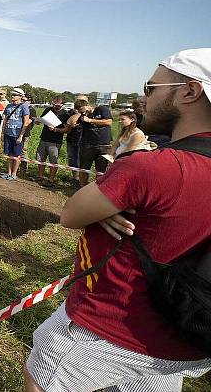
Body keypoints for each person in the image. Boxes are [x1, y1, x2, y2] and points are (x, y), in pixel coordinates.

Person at [24, 48, 211, 392]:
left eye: (151, 88)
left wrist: (111, 204)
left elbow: (72, 213)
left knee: (42, 378)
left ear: (190, 91)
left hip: (108, 326)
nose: (142, 98)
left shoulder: (152, 167)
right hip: (188, 337)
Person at [34, 96, 71, 187]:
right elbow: (42, 119)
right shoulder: (48, 110)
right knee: (40, 158)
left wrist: (55, 130)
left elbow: (67, 130)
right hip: (44, 138)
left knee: (53, 160)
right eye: (54, 104)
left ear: (62, 104)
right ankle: (40, 176)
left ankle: (51, 179)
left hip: (55, 141)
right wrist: (38, 121)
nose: (55, 106)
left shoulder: (65, 114)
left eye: (58, 105)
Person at [77, 97, 114, 187]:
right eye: (79, 110)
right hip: (87, 145)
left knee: (101, 169)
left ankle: (98, 188)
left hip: (104, 145)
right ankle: (82, 187)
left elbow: (108, 122)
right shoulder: (83, 116)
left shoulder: (101, 109)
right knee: (84, 168)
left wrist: (90, 120)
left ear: (87, 105)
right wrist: (82, 115)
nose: (81, 111)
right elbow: (76, 123)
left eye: (82, 108)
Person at [0, 87, 31, 180]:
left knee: (17, 155)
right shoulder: (9, 106)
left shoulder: (24, 106)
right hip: (8, 134)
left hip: (17, 135)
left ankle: (14, 174)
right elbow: (5, 119)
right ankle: (8, 172)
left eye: (15, 95)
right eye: (12, 94)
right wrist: (3, 132)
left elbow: (26, 122)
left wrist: (21, 136)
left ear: (20, 96)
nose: (13, 96)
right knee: (9, 155)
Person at [64, 93, 89, 182]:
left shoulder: (90, 113)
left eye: (82, 101)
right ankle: (75, 178)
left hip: (84, 141)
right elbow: (66, 125)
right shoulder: (70, 113)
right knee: (72, 159)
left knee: (83, 161)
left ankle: (82, 180)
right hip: (71, 139)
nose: (79, 103)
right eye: (78, 101)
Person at [19, 97, 38, 175]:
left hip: (26, 133)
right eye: (22, 100)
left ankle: (24, 168)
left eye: (24, 100)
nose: (22, 101)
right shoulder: (20, 107)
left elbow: (28, 121)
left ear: (29, 101)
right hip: (17, 132)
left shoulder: (31, 110)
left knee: (23, 150)